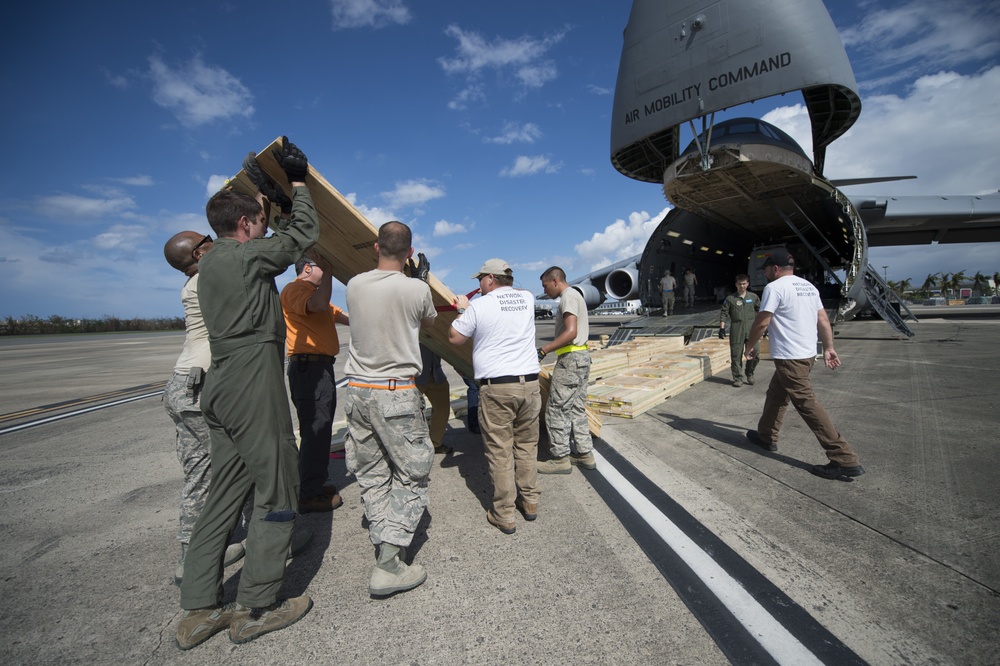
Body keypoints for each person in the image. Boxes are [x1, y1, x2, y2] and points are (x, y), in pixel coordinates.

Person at [176, 137, 316, 650]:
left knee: (222, 496)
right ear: (244, 227)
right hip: (253, 379)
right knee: (278, 488)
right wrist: (297, 184)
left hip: (219, 385)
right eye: (257, 221)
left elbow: (266, 233)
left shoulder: (209, 264)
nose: (261, 226)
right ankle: (256, 606)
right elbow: (301, 233)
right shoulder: (246, 258)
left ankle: (197, 610)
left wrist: (260, 194)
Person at [343, 221, 436, 598]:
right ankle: (389, 563)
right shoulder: (417, 289)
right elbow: (428, 324)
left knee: (372, 470)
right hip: (395, 394)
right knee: (414, 472)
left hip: (358, 393)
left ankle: (382, 533)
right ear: (411, 254)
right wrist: (421, 282)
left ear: (375, 247)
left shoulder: (354, 285)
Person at [162, 231, 246, 586]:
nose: (215, 242)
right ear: (199, 252)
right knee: (248, 461)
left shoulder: (192, 283)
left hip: (182, 385)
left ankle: (189, 555)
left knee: (199, 473)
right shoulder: (205, 280)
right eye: (209, 238)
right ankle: (268, 543)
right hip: (202, 387)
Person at [743, 249, 866, 481]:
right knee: (776, 394)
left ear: (776, 269)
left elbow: (763, 321)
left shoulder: (774, 287)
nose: (766, 272)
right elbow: (822, 319)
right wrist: (828, 347)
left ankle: (844, 458)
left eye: (767, 268)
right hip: (807, 355)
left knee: (807, 404)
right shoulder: (809, 287)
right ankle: (766, 436)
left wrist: (749, 346)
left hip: (790, 357)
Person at [450, 259, 541, 534]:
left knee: (500, 452)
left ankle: (504, 513)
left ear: (490, 278)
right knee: (527, 446)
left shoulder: (479, 305)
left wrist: (462, 311)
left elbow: (455, 338)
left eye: (480, 280)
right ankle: (531, 502)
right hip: (529, 385)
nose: (478, 286)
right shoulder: (527, 298)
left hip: (498, 387)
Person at [280, 251, 349, 513]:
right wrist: (330, 271)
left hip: (320, 369)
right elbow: (319, 306)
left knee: (321, 430)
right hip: (309, 370)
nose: (326, 271)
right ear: (308, 269)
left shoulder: (317, 296)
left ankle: (314, 484)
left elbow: (345, 317)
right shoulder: (295, 290)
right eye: (322, 267)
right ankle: (309, 494)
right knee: (316, 431)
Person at [536, 266, 595, 474]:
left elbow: (571, 331)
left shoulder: (568, 297)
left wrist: (545, 349)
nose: (545, 291)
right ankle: (584, 454)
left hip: (570, 359)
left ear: (555, 281)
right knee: (576, 408)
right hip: (582, 357)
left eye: (546, 286)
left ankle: (560, 458)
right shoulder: (576, 295)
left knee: (556, 408)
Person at [719, 274, 761, 387]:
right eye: (739, 284)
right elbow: (724, 313)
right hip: (737, 329)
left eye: (744, 284)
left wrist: (764, 327)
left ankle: (750, 373)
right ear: (736, 284)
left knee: (756, 353)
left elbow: (761, 312)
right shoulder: (730, 299)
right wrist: (722, 328)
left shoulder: (753, 297)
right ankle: (738, 378)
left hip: (751, 329)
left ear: (747, 284)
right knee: (736, 355)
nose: (742, 286)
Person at [416, 344, 453, 454]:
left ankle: (436, 443)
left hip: (436, 374)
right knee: (410, 413)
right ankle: (410, 446)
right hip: (414, 376)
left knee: (442, 409)